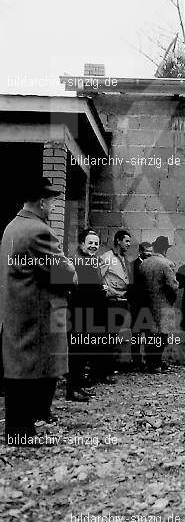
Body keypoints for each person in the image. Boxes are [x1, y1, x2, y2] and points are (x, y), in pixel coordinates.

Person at [0, 177, 77, 445]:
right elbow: (64, 274)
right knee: (29, 370)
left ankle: (19, 428)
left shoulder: (13, 227)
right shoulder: (39, 231)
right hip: (35, 312)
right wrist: (71, 269)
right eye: (53, 202)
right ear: (42, 202)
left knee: (19, 369)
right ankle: (21, 433)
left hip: (17, 310)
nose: (54, 207)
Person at [67, 229, 106, 401]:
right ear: (82, 244)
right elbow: (81, 290)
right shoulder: (77, 261)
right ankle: (72, 389)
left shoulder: (93, 261)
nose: (93, 246)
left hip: (89, 314)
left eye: (96, 244)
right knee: (77, 352)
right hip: (79, 314)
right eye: (90, 243)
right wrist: (100, 291)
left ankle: (78, 385)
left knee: (83, 352)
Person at [138, 236, 179, 373]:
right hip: (163, 304)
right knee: (161, 335)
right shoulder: (167, 264)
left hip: (146, 304)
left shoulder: (144, 263)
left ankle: (151, 362)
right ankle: (155, 364)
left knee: (150, 334)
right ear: (165, 249)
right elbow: (173, 286)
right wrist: (170, 300)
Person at [99, 229, 132, 372]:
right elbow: (98, 277)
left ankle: (109, 367)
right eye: (127, 241)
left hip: (122, 301)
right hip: (111, 302)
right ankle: (103, 369)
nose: (129, 244)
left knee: (114, 336)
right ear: (118, 240)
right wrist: (104, 290)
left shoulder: (123, 259)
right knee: (108, 336)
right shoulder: (107, 257)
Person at [129, 241, 154, 370]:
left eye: (151, 251)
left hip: (150, 306)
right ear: (140, 251)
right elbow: (131, 286)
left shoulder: (153, 265)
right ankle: (136, 361)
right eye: (147, 251)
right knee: (136, 334)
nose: (149, 254)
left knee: (150, 334)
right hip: (137, 305)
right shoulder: (133, 266)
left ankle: (149, 361)